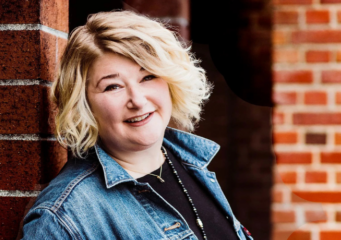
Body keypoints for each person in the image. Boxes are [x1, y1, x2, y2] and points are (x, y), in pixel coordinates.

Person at [21, 10, 253, 240]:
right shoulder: (63, 217)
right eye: (113, 86)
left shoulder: (190, 163)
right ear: (84, 103)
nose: (138, 100)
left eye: (148, 77)